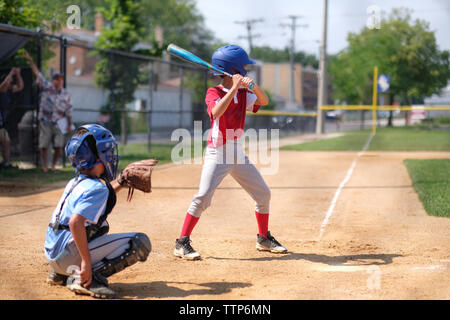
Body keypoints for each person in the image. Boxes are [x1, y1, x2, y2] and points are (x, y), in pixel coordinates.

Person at [173, 45, 288, 260]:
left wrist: (253, 87)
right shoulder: (213, 92)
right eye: (244, 67)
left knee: (263, 194)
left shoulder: (244, 94)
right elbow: (216, 112)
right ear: (233, 69)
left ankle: (263, 238)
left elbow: (264, 101)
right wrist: (234, 88)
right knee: (203, 197)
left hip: (236, 152)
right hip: (218, 153)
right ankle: (182, 243)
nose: (247, 70)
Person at [44, 124, 151, 299]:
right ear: (96, 158)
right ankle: (85, 278)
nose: (111, 156)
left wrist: (122, 182)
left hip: (54, 256)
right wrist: (86, 262)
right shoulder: (96, 189)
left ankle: (60, 274)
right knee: (140, 242)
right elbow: (75, 222)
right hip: (67, 258)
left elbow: (100, 199)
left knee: (101, 224)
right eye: (107, 152)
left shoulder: (75, 181)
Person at [23, 50, 73, 172]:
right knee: (44, 145)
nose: (59, 81)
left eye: (61, 79)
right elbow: (37, 72)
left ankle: (53, 165)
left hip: (59, 122)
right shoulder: (47, 87)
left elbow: (69, 109)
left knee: (59, 146)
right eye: (56, 79)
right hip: (45, 121)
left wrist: (69, 124)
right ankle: (45, 166)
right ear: (53, 80)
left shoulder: (66, 93)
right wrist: (30, 60)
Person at [0, 67, 24, 169]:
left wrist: (17, 74)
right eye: (9, 81)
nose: (10, 83)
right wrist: (11, 73)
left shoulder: (8, 91)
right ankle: (5, 162)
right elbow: (3, 86)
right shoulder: (1, 89)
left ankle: (6, 163)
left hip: (1, 123)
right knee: (6, 141)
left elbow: (20, 86)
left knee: (6, 141)